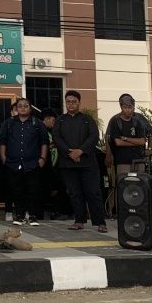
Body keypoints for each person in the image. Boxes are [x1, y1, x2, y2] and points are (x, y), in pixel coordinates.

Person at [56, 90, 107, 233]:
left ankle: (100, 222)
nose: (71, 104)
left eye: (74, 102)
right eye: (68, 102)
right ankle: (79, 221)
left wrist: (80, 151)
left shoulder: (87, 119)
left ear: (79, 103)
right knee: (74, 193)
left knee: (93, 192)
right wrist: (70, 153)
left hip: (87, 163)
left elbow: (93, 137)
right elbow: (57, 139)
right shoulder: (60, 121)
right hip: (68, 163)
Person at [0, 98, 49, 226]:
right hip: (13, 162)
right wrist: (3, 157)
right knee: (16, 190)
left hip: (32, 163)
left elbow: (44, 142)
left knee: (33, 189)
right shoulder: (8, 123)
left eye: (25, 106)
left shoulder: (37, 123)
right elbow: (2, 142)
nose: (22, 108)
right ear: (16, 109)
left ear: (30, 109)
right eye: (20, 106)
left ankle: (32, 216)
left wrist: (42, 158)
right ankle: (20, 216)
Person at [105, 94, 152, 176]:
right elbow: (109, 138)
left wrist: (150, 149)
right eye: (125, 106)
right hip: (122, 159)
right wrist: (108, 155)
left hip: (139, 157)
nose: (127, 109)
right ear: (121, 106)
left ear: (133, 106)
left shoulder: (139, 118)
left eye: (130, 106)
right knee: (124, 184)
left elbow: (150, 134)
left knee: (139, 185)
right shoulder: (115, 120)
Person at [40, 108, 72, 221]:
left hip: (54, 166)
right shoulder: (40, 130)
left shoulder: (51, 132)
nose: (54, 124)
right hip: (45, 166)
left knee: (59, 188)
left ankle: (60, 211)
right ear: (47, 119)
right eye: (53, 121)